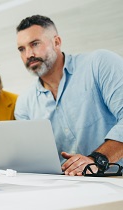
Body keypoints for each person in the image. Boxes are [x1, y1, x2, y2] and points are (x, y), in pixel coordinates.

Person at [14, 15, 123, 176]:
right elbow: (32, 157)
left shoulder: (99, 64)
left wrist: (97, 160)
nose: (28, 54)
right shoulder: (24, 103)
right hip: (64, 186)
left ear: (56, 42)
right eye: (21, 49)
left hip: (116, 180)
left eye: (35, 44)